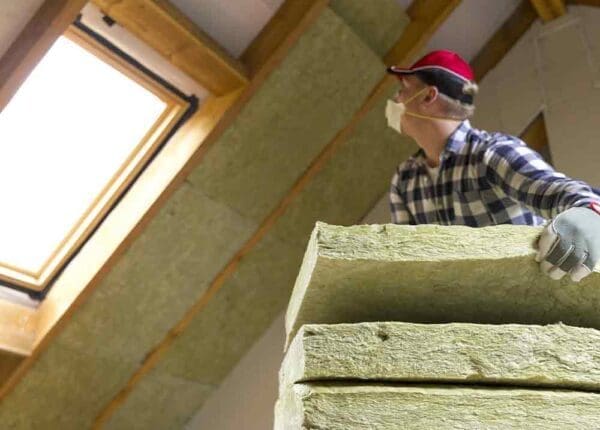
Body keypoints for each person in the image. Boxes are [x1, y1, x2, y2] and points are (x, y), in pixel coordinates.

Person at [386, 50, 600, 282]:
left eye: (403, 89)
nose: (396, 100)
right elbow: (405, 261)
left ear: (428, 96)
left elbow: (556, 189)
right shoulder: (404, 180)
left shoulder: (490, 154)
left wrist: (589, 213)